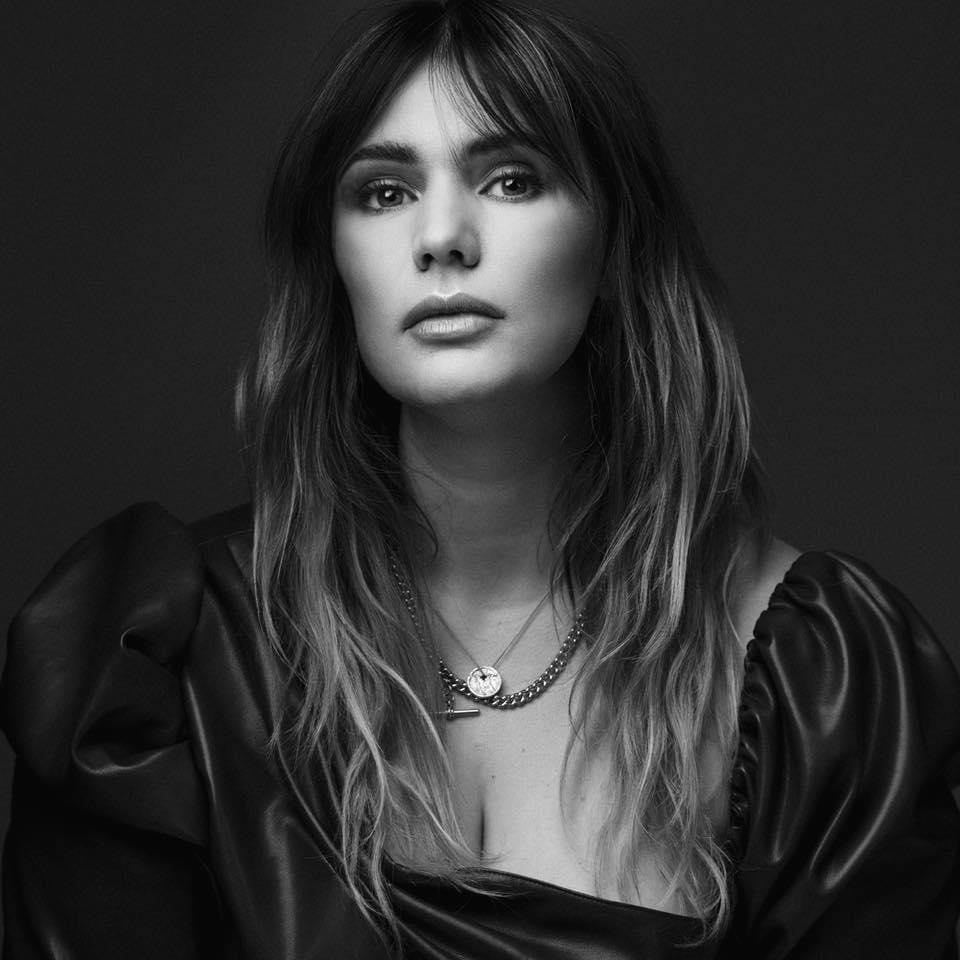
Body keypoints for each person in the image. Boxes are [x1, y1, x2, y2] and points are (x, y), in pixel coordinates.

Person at [2, 0, 958, 956]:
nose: (443, 237)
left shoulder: (822, 677)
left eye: (511, 179)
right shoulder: (160, 659)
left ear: (614, 241)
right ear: (333, 257)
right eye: (383, 192)